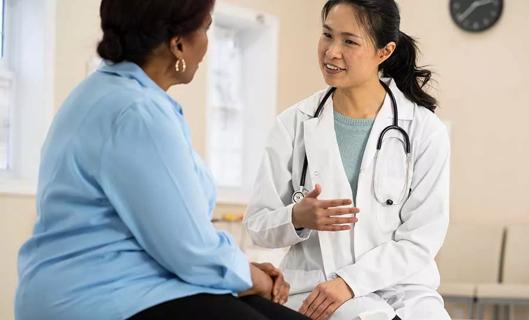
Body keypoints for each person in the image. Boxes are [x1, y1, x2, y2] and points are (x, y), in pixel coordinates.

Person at [14, 1, 309, 319]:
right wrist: (254, 277)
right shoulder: (137, 113)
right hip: (99, 296)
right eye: (206, 28)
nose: (207, 44)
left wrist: (241, 270)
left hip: (130, 284)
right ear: (178, 44)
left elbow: (173, 236)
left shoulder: (110, 94)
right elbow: (189, 249)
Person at [244, 0, 451, 319]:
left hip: (406, 292)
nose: (331, 52)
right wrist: (296, 217)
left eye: (349, 41)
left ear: (385, 52)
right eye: (327, 35)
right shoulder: (293, 124)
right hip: (316, 287)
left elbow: (422, 238)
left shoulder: (424, 130)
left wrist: (352, 281)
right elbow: (258, 225)